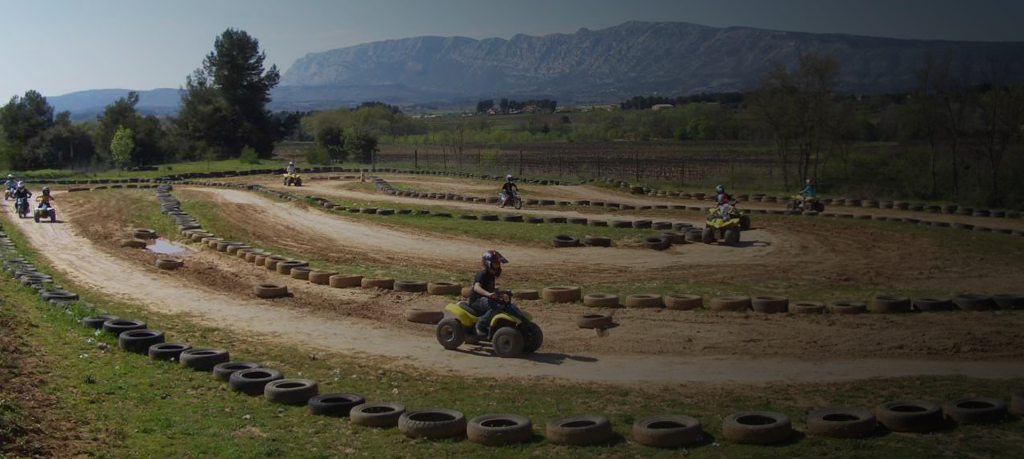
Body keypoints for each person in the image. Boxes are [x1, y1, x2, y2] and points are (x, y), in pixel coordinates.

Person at [470, 250, 509, 337]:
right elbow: (476, 287)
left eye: (499, 264)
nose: (498, 266)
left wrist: (501, 292)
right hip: (476, 300)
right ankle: (480, 325)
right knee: (496, 307)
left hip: (485, 298)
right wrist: (488, 294)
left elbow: (490, 289)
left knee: (505, 305)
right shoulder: (482, 274)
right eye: (496, 264)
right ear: (488, 264)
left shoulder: (491, 276)